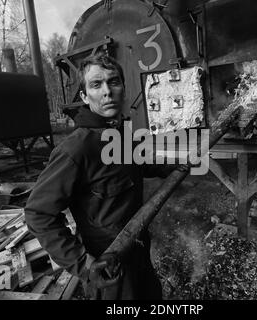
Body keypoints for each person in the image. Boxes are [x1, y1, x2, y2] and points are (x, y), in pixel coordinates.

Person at [25, 53, 174, 300]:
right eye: (96, 84)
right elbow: (38, 213)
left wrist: (174, 165)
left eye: (113, 82)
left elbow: (139, 164)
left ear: (123, 89)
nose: (107, 91)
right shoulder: (76, 149)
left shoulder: (120, 135)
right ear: (84, 96)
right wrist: (83, 264)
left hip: (139, 251)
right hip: (110, 271)